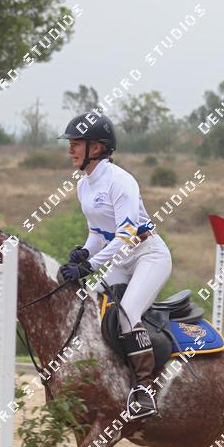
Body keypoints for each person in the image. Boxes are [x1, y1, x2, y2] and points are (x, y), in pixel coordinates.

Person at [59, 112, 172, 419]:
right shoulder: (84, 186)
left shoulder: (121, 181)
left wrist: (89, 266)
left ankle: (144, 389)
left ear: (96, 148)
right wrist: (84, 252)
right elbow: (98, 233)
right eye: (70, 143)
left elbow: (126, 235)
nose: (70, 149)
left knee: (126, 313)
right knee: (89, 306)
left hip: (148, 254)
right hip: (120, 258)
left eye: (76, 144)